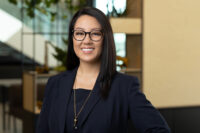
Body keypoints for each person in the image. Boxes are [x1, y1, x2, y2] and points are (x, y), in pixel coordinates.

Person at [36, 7, 170, 133]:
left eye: (95, 34)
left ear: (105, 38)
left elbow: (159, 130)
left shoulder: (124, 86)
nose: (86, 40)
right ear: (72, 38)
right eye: (79, 33)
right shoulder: (55, 84)